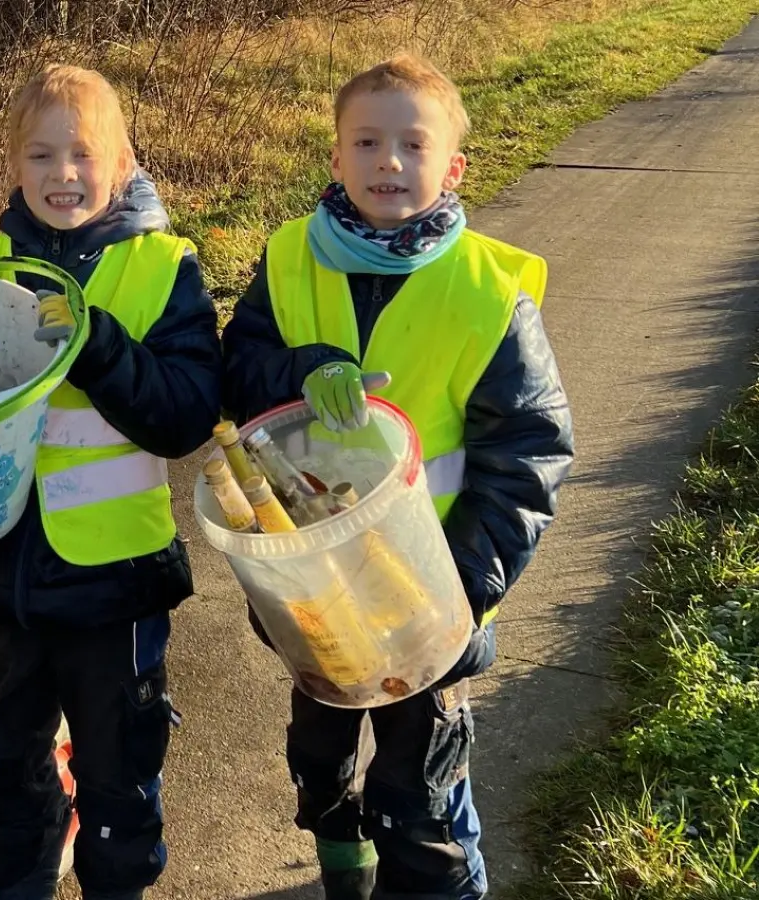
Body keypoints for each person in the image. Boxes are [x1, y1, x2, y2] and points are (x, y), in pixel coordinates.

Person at [218, 55, 575, 900]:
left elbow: (529, 452)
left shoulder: (487, 291)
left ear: (450, 166)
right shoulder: (290, 256)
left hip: (430, 597)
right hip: (315, 592)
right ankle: (342, 859)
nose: (387, 161)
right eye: (366, 142)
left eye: (411, 145)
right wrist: (297, 369)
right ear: (335, 158)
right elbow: (238, 369)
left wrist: (459, 591)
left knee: (422, 794)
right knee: (319, 757)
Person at [0, 64, 220, 900]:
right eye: (40, 155)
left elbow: (183, 417)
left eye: (81, 154)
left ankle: (117, 886)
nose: (61, 174)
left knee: (119, 765)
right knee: (1, 759)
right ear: (12, 164)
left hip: (114, 582)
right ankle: (22, 881)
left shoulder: (161, 268)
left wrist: (98, 344)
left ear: (121, 160)